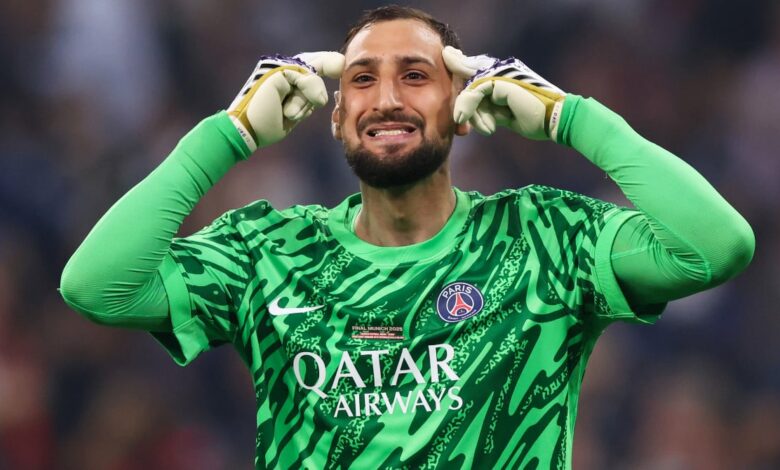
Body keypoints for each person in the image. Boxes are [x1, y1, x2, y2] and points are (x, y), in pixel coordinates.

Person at [59, 5, 755, 469]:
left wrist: (569, 118)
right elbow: (97, 286)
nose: (388, 99)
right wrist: (229, 133)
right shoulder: (269, 251)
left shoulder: (544, 235)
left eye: (416, 77)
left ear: (461, 108)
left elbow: (715, 246)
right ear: (336, 117)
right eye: (362, 80)